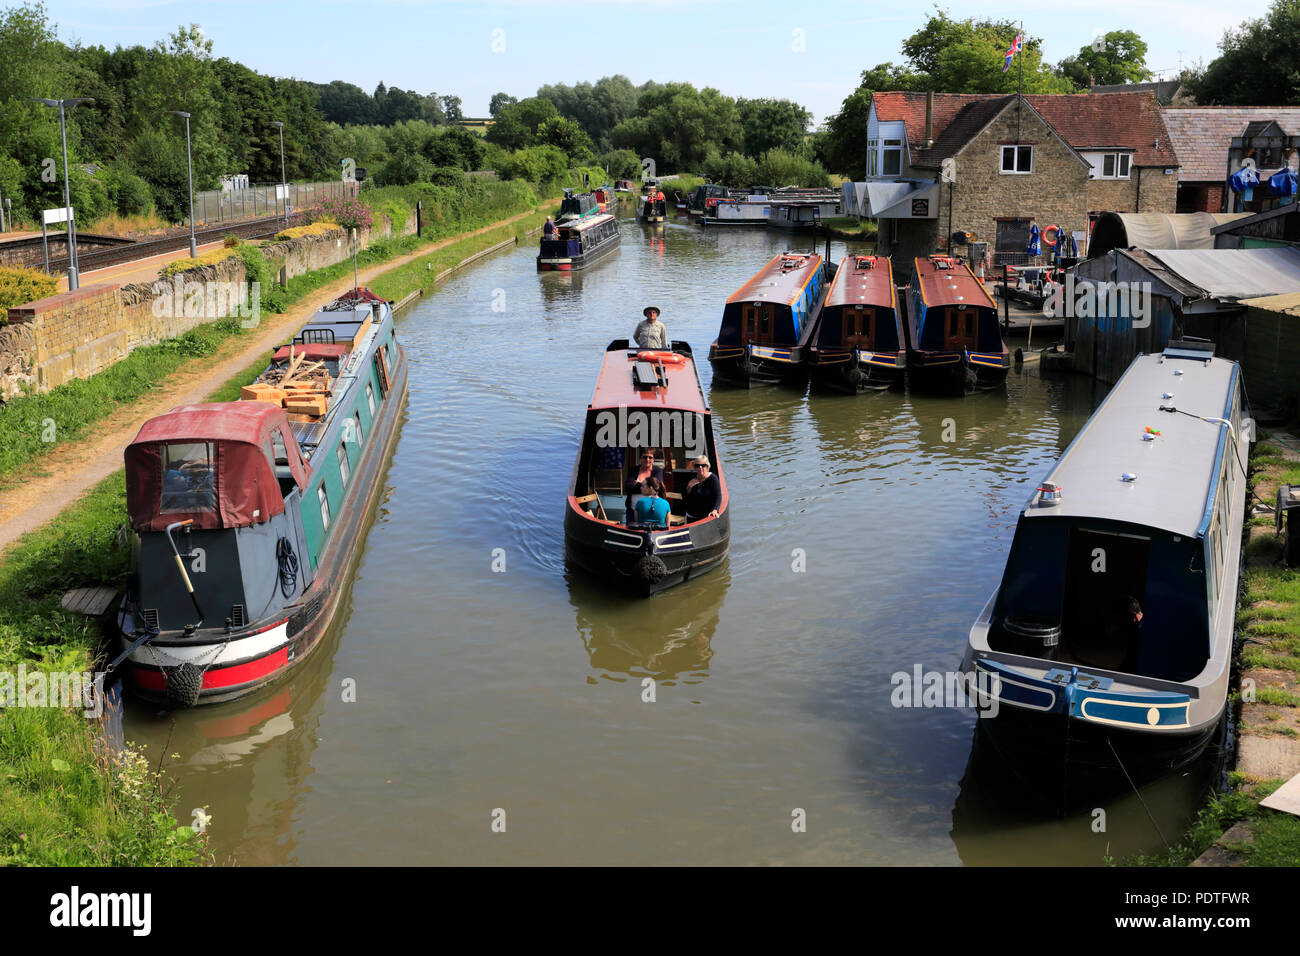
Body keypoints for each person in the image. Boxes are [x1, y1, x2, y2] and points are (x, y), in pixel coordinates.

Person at [625, 450, 664, 515]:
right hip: (632, 510)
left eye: (650, 457)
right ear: (641, 458)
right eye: (645, 457)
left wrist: (637, 484)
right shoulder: (633, 470)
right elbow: (628, 488)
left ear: (653, 459)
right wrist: (647, 488)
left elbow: (656, 488)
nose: (647, 459)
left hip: (651, 511)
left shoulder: (657, 471)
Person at [683, 455, 721, 521]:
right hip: (691, 515)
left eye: (703, 465)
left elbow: (718, 496)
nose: (700, 467)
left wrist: (715, 510)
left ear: (707, 466)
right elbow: (685, 498)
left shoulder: (713, 479)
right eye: (697, 466)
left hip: (706, 517)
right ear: (695, 467)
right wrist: (688, 489)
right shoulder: (692, 478)